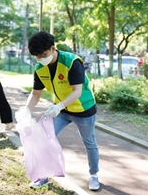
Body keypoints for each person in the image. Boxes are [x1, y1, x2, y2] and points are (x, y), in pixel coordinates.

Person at [16, 31, 100, 191]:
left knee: (89, 143)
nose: (40, 59)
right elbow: (35, 93)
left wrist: (59, 106)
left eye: (43, 54)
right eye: (36, 56)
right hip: (60, 110)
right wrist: (26, 109)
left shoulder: (72, 62)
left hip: (83, 109)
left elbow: (77, 91)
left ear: (53, 48)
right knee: (44, 138)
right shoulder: (40, 68)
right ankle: (44, 176)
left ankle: (94, 175)